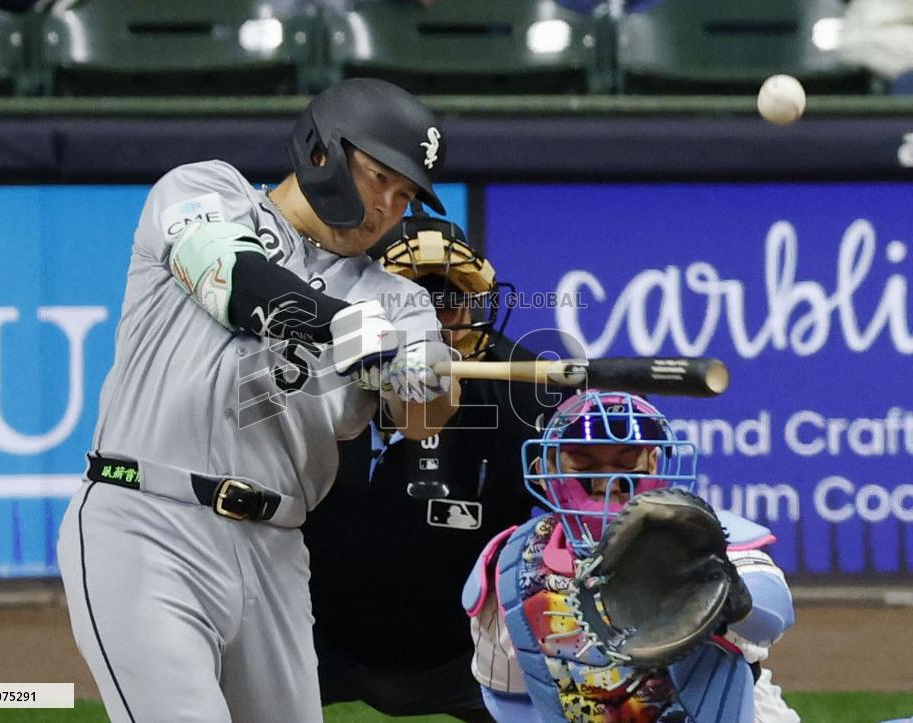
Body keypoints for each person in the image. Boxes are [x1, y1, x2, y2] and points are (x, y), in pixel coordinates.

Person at [56, 77, 461, 723]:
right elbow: (237, 283)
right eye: (381, 176)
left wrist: (430, 377)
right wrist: (347, 328)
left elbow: (419, 422)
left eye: (406, 193)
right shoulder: (205, 190)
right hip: (146, 520)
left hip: (276, 551)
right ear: (323, 151)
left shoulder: (397, 299)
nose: (390, 205)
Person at [304, 213, 556, 721]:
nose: (437, 323)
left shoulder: (527, 393)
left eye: (451, 299)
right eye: (414, 299)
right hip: (311, 638)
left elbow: (588, 530)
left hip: (471, 653)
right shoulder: (306, 381)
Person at [463, 390, 800, 722]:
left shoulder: (705, 540)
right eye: (584, 461)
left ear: (654, 463)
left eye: (627, 461)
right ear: (545, 467)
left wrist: (731, 595)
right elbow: (507, 693)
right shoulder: (514, 563)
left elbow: (771, 618)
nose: (609, 478)